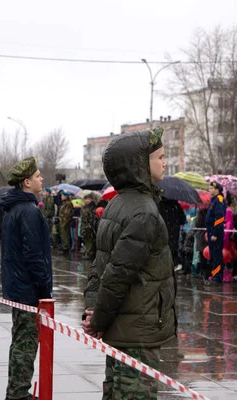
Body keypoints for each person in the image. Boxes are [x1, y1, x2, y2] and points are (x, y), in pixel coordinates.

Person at [82, 127, 176, 399]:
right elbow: (116, 276)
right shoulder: (144, 212)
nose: (165, 162)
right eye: (160, 157)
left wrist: (94, 313)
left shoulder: (117, 204)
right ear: (140, 166)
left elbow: (99, 268)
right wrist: (97, 318)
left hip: (120, 330)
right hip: (137, 334)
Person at [0, 157, 52, 400]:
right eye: (38, 175)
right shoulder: (28, 211)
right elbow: (33, 255)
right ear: (26, 182)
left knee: (19, 340)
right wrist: (44, 289)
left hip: (17, 285)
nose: (42, 179)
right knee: (26, 343)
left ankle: (16, 389)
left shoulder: (13, 209)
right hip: (28, 289)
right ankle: (19, 394)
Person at [206, 181, 226, 284]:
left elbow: (219, 218)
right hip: (210, 230)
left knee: (217, 255)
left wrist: (214, 233)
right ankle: (214, 274)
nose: (209, 190)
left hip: (216, 232)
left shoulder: (219, 200)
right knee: (213, 255)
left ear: (217, 190)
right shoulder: (213, 200)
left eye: (211, 188)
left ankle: (217, 277)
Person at [80, 193, 98, 260]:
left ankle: (90, 253)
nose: (86, 200)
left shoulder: (92, 207)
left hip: (89, 227)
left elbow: (90, 218)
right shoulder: (86, 207)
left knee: (90, 240)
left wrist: (90, 226)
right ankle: (88, 252)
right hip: (85, 226)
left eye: (87, 199)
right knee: (87, 240)